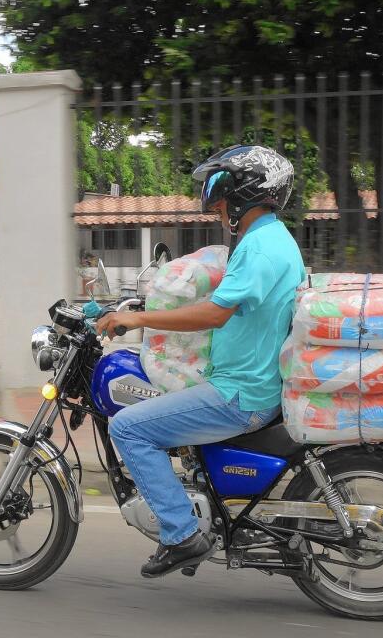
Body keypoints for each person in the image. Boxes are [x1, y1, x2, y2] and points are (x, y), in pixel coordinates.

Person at [95, 145, 306, 578]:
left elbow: (215, 312)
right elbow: (229, 302)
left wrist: (138, 318)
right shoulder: (271, 239)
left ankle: (181, 534)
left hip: (239, 394)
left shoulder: (260, 247)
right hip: (249, 381)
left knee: (127, 427)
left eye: (221, 194)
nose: (217, 206)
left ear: (243, 193)